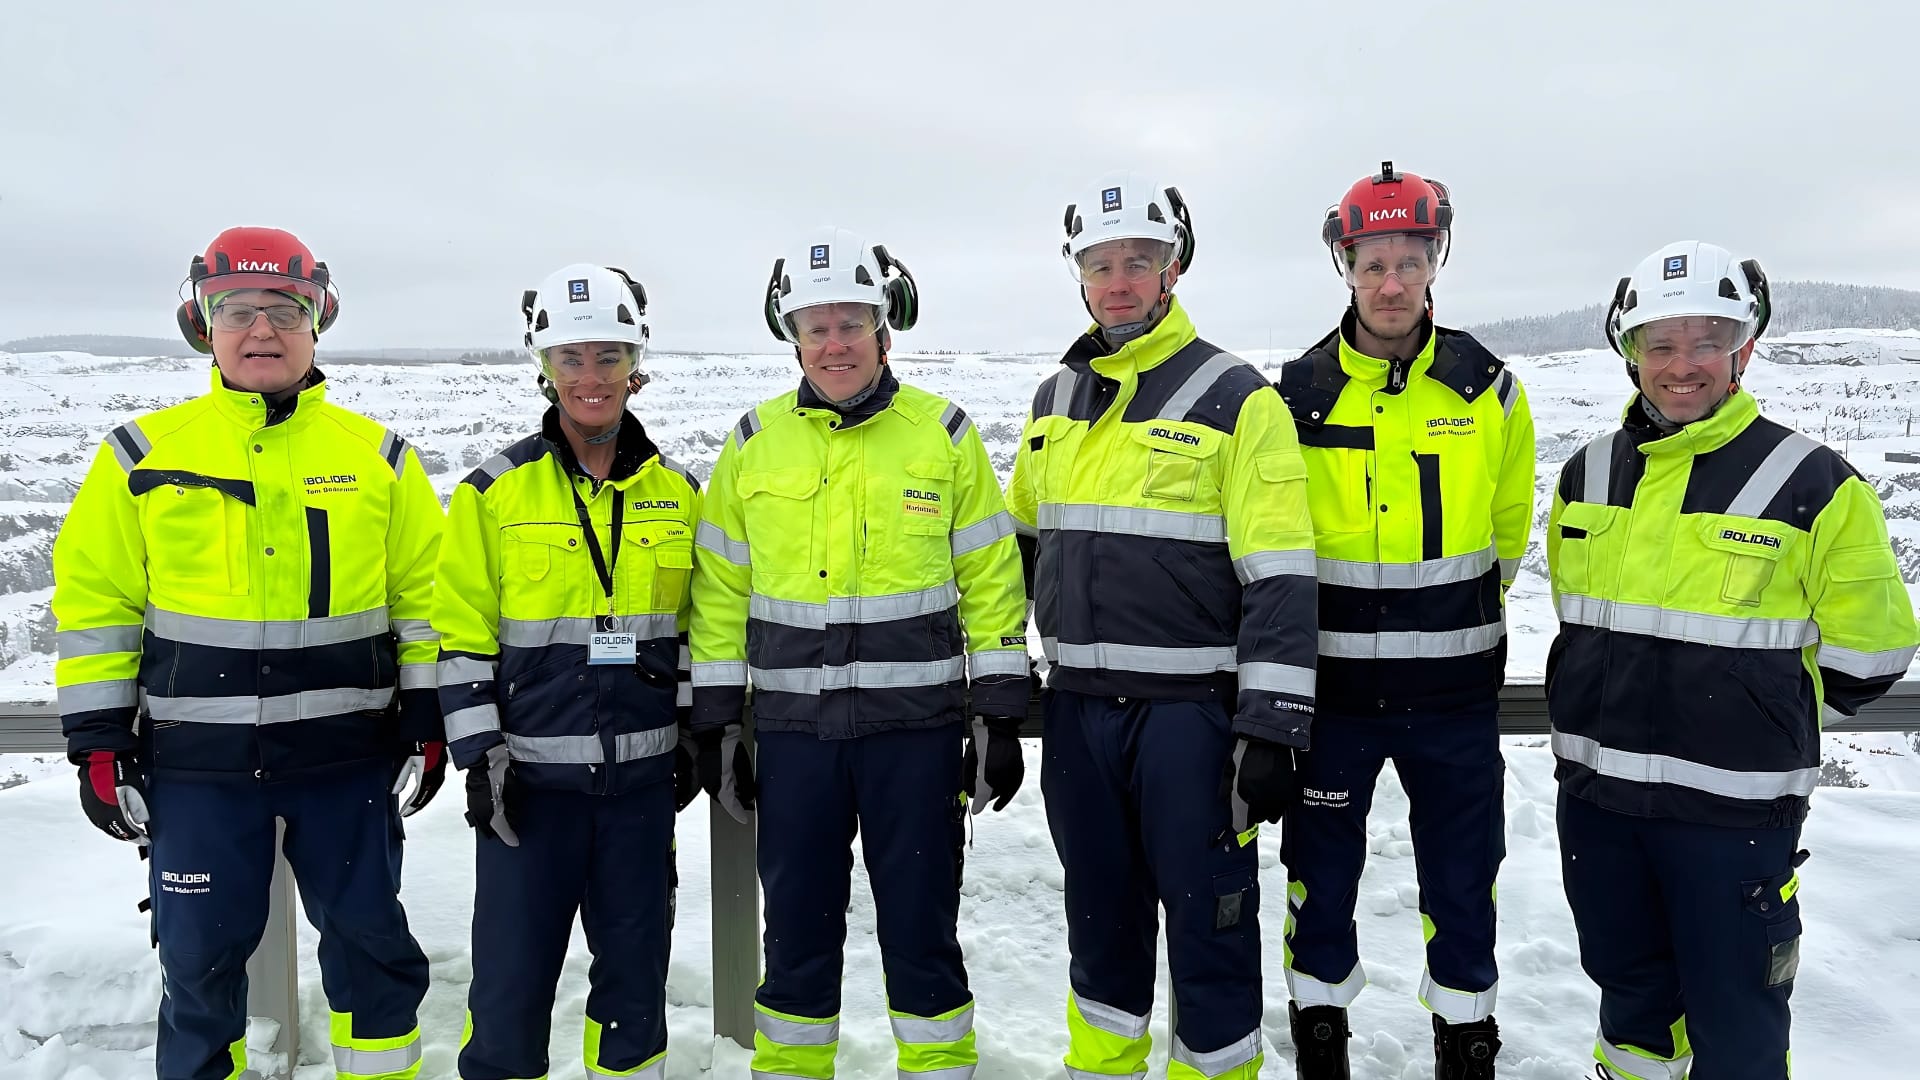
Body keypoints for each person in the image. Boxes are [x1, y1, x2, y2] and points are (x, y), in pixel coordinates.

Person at [51, 226, 442, 1080]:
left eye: (286, 310)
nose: (262, 330)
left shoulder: (377, 460)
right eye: (238, 310)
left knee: (373, 953)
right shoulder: (141, 455)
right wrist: (99, 741)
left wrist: (426, 718)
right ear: (202, 322)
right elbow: (98, 608)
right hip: (198, 771)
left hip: (347, 764)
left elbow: (425, 603)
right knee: (197, 968)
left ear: (317, 322)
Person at [1548, 240, 1919, 1079]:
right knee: (1630, 1005)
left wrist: (1759, 710)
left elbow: (1875, 651)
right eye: (1660, 343)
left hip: (1734, 825)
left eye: (1707, 340)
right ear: (1628, 350)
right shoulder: (1588, 474)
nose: (1683, 366)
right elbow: (1582, 620)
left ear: (1745, 348)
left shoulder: (1814, 483)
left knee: (1739, 1026)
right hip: (1600, 811)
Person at [689, 227, 1029, 1080]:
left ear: (886, 329)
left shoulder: (942, 435)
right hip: (796, 743)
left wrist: (998, 709)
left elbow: (991, 578)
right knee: (797, 937)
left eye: (852, 323)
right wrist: (720, 721)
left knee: (922, 931)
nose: (834, 343)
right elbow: (722, 594)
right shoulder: (751, 444)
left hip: (914, 739)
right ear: (791, 336)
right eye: (815, 326)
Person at [1005, 172, 1319, 1080]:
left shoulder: (1236, 396)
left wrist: (1271, 727)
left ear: (1173, 268)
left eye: (1137, 262)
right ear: (1079, 277)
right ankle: (1101, 1066)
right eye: (1099, 265)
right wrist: (988, 683)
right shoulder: (1054, 399)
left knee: (1211, 918)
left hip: (1191, 717)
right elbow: (1021, 554)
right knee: (1099, 918)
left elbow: (1281, 569)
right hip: (1077, 714)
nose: (1118, 282)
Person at [1273, 161, 1535, 1079]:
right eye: (1372, 261)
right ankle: (1321, 1050)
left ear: (1437, 259)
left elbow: (1504, 536)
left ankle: (1466, 1048)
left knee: (1464, 892)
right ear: (1344, 264)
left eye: (1410, 260)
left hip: (1456, 704)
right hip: (1330, 705)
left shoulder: (1489, 390)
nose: (1391, 282)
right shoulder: (1295, 394)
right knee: (1320, 891)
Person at [433, 264, 701, 1080]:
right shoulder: (493, 494)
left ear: (636, 364)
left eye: (609, 357)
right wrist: (483, 758)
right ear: (544, 369)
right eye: (572, 359)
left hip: (641, 797)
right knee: (509, 1000)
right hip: (531, 799)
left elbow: (696, 633)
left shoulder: (680, 493)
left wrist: (692, 733)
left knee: (634, 997)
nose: (592, 377)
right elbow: (460, 637)